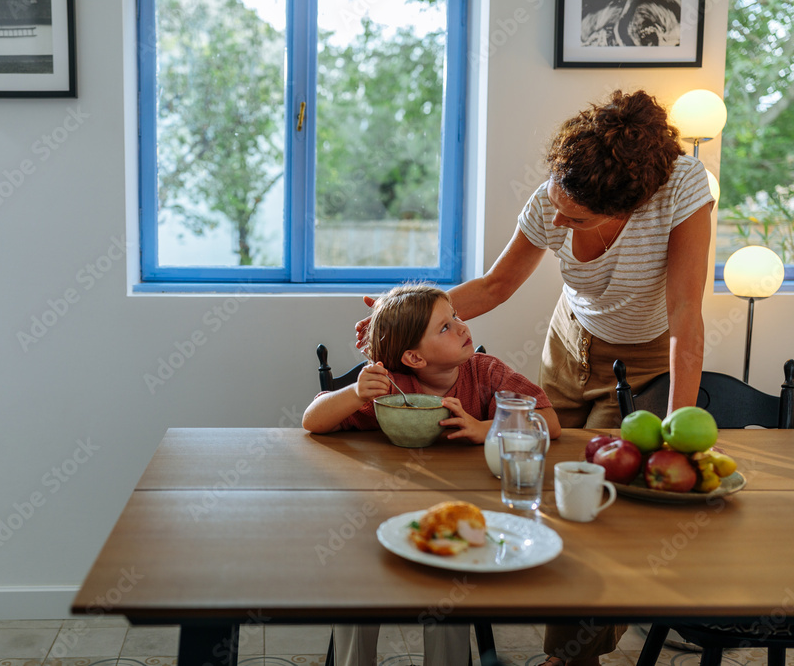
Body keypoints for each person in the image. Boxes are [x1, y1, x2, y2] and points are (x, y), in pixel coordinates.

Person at [356, 90, 715, 666]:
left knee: (601, 504)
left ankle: (571, 656)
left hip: (646, 358)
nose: (560, 220)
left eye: (576, 218)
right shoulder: (553, 198)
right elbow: (495, 287)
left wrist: (676, 426)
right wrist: (400, 317)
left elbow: (685, 317)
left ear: (628, 204)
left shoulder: (681, 190)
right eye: (558, 204)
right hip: (570, 342)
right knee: (533, 473)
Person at [304, 282, 560, 666]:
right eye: (445, 327)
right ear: (413, 358)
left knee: (449, 587)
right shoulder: (389, 386)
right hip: (385, 509)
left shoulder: (486, 373)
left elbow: (550, 421)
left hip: (460, 515)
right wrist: (355, 394)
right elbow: (312, 421)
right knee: (360, 584)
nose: (461, 327)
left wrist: (485, 427)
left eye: (455, 316)